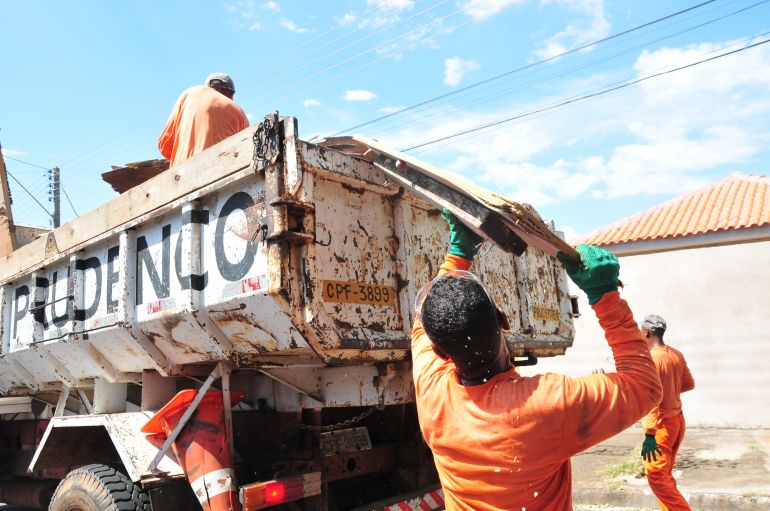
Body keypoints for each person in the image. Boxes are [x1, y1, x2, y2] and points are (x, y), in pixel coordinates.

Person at [411, 209, 663, 511]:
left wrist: (458, 251)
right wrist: (605, 294)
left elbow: (423, 324)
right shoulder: (546, 404)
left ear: (440, 352)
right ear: (503, 319)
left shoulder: (432, 393)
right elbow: (645, 386)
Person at [639, 314, 695, 511]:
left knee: (656, 476)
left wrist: (649, 434)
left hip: (661, 426)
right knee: (665, 475)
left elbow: (651, 399)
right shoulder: (676, 354)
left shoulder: (651, 359)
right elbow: (688, 384)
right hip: (677, 421)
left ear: (645, 332)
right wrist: (669, 388)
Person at [158, 72, 249, 168]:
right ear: (230, 93)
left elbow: (164, 145)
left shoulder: (189, 94)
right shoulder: (239, 111)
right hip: (219, 170)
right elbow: (246, 148)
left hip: (181, 173)